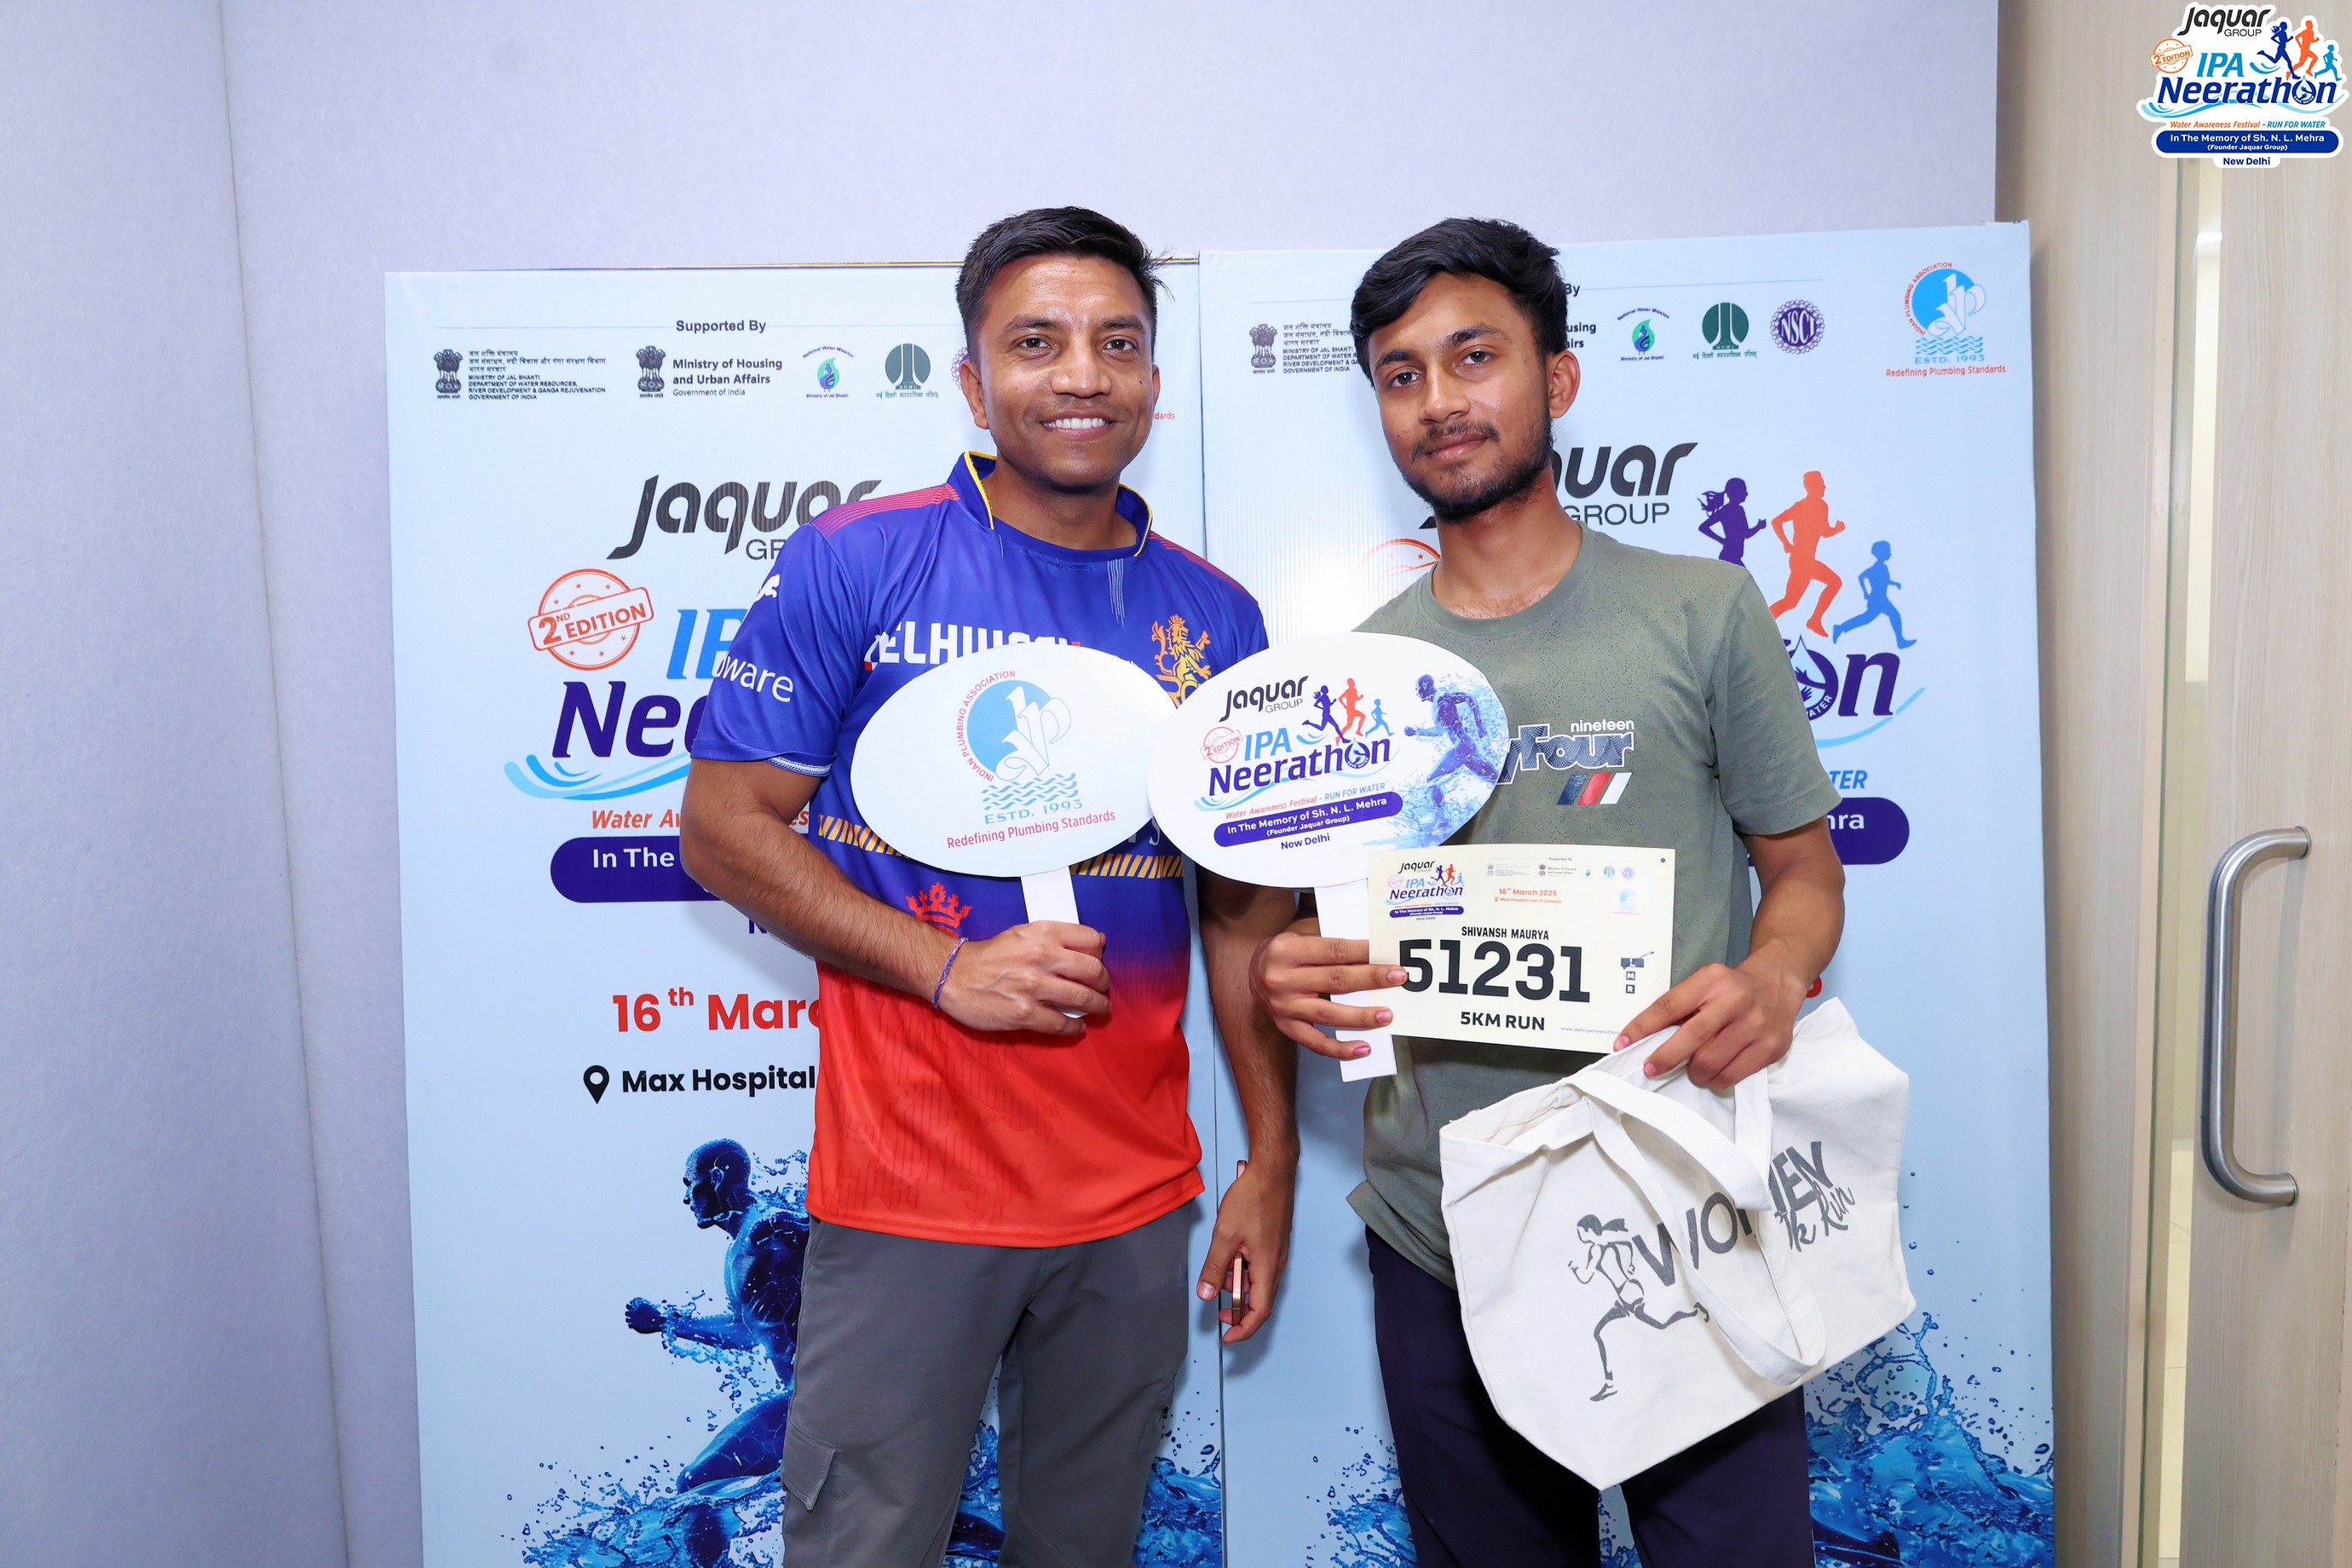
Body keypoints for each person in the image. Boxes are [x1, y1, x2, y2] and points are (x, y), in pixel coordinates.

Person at [680, 207, 1300, 1568]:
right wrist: (945, 967)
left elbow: (1244, 916)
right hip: (910, 1199)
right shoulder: (861, 559)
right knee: (863, 1550)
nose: (1081, 374)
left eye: (1117, 344)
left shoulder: (1219, 618)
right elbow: (723, 831)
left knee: (1084, 1549)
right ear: (972, 381)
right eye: (1036, 343)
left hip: (1134, 1207)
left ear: (1153, 381)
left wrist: (1271, 1157)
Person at [1248, 217, 1846, 1568]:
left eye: (1475, 358)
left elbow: (1805, 872)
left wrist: (1774, 976)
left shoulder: (1702, 611)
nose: (1439, 401)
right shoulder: (1356, 682)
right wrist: (1296, 970)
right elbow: (1331, 937)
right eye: (1401, 375)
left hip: (1681, 1201)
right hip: (1442, 1228)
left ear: (1558, 379)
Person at [1767, 470, 1846, 634]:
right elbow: (1776, 521)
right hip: (1801, 561)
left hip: (1806, 561)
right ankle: (1762, 622)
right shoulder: (1805, 506)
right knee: (1790, 602)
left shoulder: (1818, 506)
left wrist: (1836, 530)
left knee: (1791, 601)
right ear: (1814, 486)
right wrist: (1787, 543)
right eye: (1822, 483)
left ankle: (1814, 620)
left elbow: (1824, 531)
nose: (1825, 486)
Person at [1832, 540, 1917, 647]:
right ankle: (1900, 641)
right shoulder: (1875, 568)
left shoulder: (1883, 567)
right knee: (1890, 615)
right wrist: (1865, 592)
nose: (1890, 554)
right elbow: (1861, 577)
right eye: (1887, 552)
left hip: (1881, 598)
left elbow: (1884, 581)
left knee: (1868, 618)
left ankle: (1840, 628)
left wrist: (1895, 583)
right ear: (1881, 553)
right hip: (1877, 599)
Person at [1697, 476, 1764, 565]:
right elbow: (1746, 534)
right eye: (1744, 491)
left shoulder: (1727, 510)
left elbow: (1745, 534)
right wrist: (1759, 527)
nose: (1746, 494)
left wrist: (1723, 541)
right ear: (1737, 493)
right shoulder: (1736, 510)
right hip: (1730, 557)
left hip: (1732, 556)